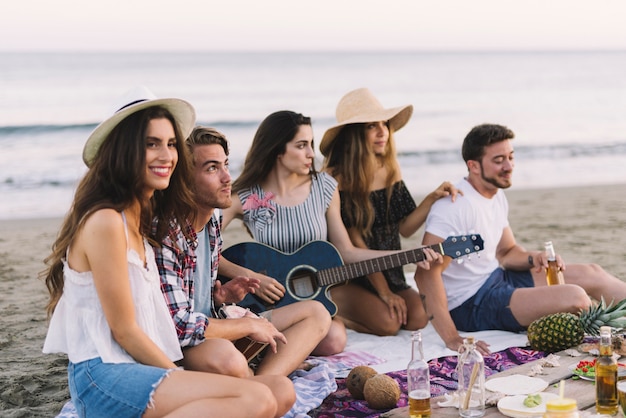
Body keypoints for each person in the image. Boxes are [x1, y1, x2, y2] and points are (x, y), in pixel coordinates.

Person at [41, 86, 292, 418]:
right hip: (103, 375)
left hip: (142, 367)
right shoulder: (106, 221)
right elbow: (125, 330)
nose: (167, 155)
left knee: (279, 391)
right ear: (124, 152)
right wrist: (179, 379)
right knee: (255, 400)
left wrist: (219, 303)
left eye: (171, 144)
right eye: (151, 144)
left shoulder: (141, 220)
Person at [222, 110, 442, 356]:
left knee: (335, 340)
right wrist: (250, 276)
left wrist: (410, 253)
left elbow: (347, 252)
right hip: (269, 297)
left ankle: (294, 336)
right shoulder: (247, 198)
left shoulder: (324, 187)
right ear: (277, 150)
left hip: (315, 289)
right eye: (302, 145)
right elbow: (201, 246)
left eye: (312, 144)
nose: (310, 154)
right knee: (332, 340)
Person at [415, 123, 626, 356]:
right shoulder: (453, 206)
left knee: (592, 273)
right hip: (470, 303)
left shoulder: (495, 195)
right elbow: (425, 274)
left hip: (498, 278)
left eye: (511, 157)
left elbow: (506, 252)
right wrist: (452, 338)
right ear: (473, 165)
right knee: (575, 297)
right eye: (498, 160)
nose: (509, 166)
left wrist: (534, 257)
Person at [154, 125, 331, 378]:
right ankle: (259, 382)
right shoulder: (168, 234)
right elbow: (179, 327)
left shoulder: (212, 220)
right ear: (184, 181)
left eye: (225, 165)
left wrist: (222, 297)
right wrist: (246, 324)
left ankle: (261, 383)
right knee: (231, 362)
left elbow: (198, 296)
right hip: (184, 343)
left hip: (215, 324)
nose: (227, 178)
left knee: (316, 313)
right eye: (212, 168)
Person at [321, 87, 460, 336]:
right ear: (353, 134)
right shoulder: (336, 179)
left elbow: (405, 228)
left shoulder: (389, 170)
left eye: (384, 124)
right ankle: (336, 306)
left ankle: (367, 309)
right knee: (389, 324)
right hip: (355, 273)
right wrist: (384, 293)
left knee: (417, 317)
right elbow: (355, 244)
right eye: (371, 126)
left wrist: (430, 199)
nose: (382, 132)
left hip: (390, 268)